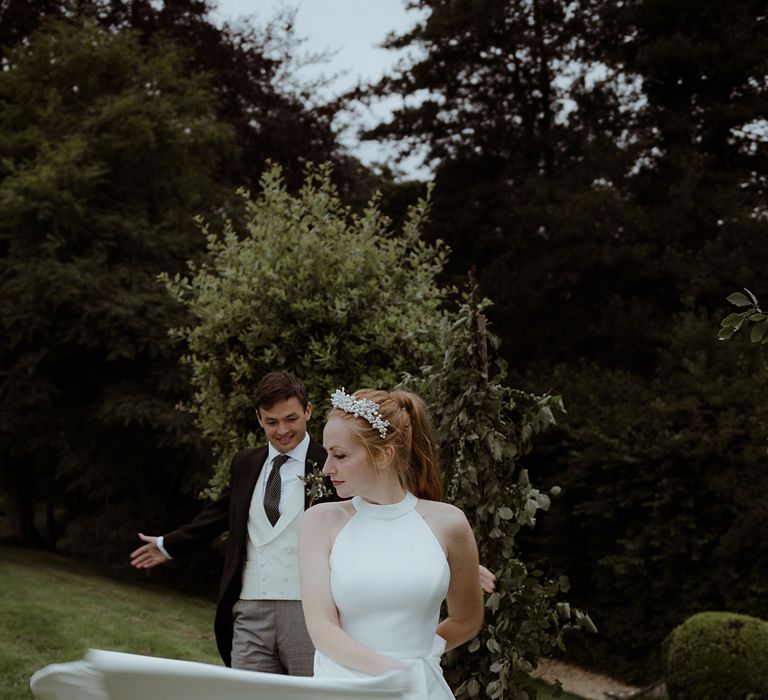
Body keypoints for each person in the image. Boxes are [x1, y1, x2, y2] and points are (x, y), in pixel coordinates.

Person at [130, 371, 330, 675]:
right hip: (249, 610)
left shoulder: (330, 463)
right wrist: (167, 545)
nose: (283, 430)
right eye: (272, 422)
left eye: (291, 419)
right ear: (259, 418)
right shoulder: (245, 463)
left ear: (308, 411)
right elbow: (216, 516)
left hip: (310, 611)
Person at [299, 388, 485, 699]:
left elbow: (467, 618)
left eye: (340, 455)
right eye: (327, 453)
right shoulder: (320, 521)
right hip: (342, 687)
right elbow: (321, 628)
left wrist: (424, 654)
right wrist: (391, 670)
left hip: (420, 689)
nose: (327, 467)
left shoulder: (449, 523)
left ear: (384, 455)